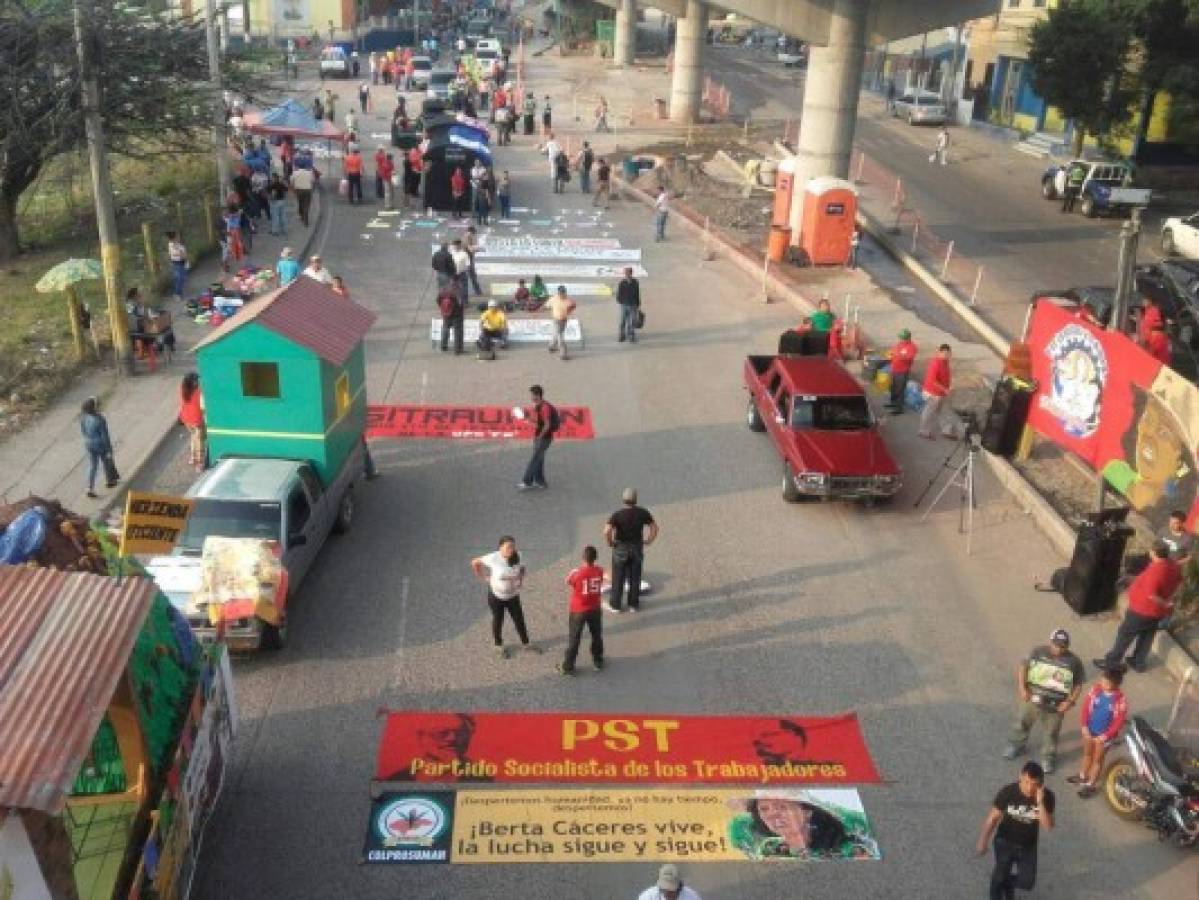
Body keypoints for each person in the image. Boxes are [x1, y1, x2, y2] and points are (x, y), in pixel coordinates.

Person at [1002, 629, 1086, 774]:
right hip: (1032, 700)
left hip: (1056, 706)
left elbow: (1078, 683)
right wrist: (1022, 688)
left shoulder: (1074, 661)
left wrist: (1070, 701)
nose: (1059, 649)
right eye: (1056, 645)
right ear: (1050, 642)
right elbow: (1023, 667)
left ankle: (1048, 757)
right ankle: (1016, 745)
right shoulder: (1037, 652)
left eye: (1063, 646)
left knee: (1051, 733)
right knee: (1022, 723)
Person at [1094, 540, 1181, 673]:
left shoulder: (1156, 571)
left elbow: (1151, 595)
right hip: (1157, 612)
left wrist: (1165, 602)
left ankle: (1112, 661)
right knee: (1146, 636)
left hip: (1142, 610)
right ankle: (1138, 661)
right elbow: (1180, 580)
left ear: (1154, 553)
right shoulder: (1172, 566)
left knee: (1125, 634)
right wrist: (1169, 600)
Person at [976, 762, 1055, 900]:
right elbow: (993, 818)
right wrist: (983, 841)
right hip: (1005, 842)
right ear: (1020, 776)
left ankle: (1007, 884)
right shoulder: (1008, 792)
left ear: (1041, 784)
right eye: (1026, 782)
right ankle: (996, 893)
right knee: (1001, 873)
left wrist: (1040, 803)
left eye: (1035, 784)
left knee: (1027, 882)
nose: (1030, 788)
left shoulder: (1047, 797)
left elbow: (1048, 826)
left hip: (1027, 846)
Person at [470, 536, 539, 658]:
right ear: (500, 547)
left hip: (513, 596)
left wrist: (520, 579)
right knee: (498, 620)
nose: (511, 549)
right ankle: (498, 646)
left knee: (519, 620)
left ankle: (526, 644)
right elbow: (475, 562)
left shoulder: (518, 556)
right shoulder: (493, 558)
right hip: (496, 597)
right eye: (508, 547)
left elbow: (522, 568)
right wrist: (483, 577)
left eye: (513, 546)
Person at [1071, 665, 1128, 798]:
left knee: (1097, 760)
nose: (1102, 683)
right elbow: (1085, 707)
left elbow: (1118, 722)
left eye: (1106, 682)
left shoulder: (1120, 699)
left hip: (1104, 737)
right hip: (1089, 730)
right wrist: (1084, 726)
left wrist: (1105, 736)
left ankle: (1091, 784)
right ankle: (1082, 775)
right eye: (1102, 680)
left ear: (1115, 684)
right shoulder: (1096, 690)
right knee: (1087, 754)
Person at [603, 488, 658, 613]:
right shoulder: (642, 513)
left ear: (623, 500)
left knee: (618, 577)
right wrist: (649, 540)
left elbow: (606, 531)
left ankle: (615, 605)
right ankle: (633, 604)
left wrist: (610, 542)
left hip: (621, 548)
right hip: (636, 547)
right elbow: (654, 527)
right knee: (635, 576)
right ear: (635, 499)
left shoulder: (617, 515)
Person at [557, 546, 605, 676]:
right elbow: (604, 577)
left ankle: (568, 666)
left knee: (574, 638)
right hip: (594, 608)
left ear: (583, 558)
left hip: (578, 610)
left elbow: (568, 581)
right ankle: (598, 660)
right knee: (596, 635)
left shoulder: (577, 573)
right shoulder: (599, 570)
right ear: (595, 558)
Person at [518, 384, 558, 491]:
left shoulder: (545, 408)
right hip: (541, 436)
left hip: (544, 438)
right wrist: (526, 418)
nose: (531, 398)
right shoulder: (539, 406)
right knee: (539, 459)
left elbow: (547, 425)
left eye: (532, 395)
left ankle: (527, 481)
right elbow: (537, 422)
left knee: (535, 459)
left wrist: (539, 437)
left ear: (538, 395)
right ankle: (540, 481)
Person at [79, 397, 118, 499]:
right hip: (100, 445)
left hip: (88, 443)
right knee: (107, 461)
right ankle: (110, 481)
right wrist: (109, 450)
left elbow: (83, 431)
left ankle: (89, 488)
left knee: (92, 466)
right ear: (94, 408)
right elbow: (105, 437)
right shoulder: (100, 419)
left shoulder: (83, 417)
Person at [918, 344, 952, 439]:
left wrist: (947, 388)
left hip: (940, 393)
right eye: (944, 353)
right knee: (929, 412)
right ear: (939, 352)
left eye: (948, 353)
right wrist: (944, 389)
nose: (946, 355)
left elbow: (946, 376)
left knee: (941, 411)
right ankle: (923, 431)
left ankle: (946, 430)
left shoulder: (945, 362)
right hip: (932, 393)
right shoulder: (935, 363)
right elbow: (932, 381)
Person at [886, 329, 918, 413]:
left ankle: (898, 408)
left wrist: (898, 355)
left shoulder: (912, 347)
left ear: (907, 338)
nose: (900, 340)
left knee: (900, 389)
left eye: (902, 338)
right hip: (894, 369)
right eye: (900, 338)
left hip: (902, 371)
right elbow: (894, 350)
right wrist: (891, 354)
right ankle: (893, 403)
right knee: (893, 387)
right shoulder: (900, 344)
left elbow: (909, 358)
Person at [179, 372, 206, 470]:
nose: (198, 382)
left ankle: (192, 458)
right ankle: (200, 463)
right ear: (193, 382)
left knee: (193, 436)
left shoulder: (182, 390)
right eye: (196, 380)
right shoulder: (198, 392)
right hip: (196, 419)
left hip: (186, 419)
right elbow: (203, 407)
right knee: (200, 441)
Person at [547, 286, 576, 360]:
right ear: (558, 293)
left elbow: (573, 305)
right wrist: (538, 311)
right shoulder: (554, 298)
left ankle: (551, 346)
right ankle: (563, 354)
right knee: (560, 337)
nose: (562, 294)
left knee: (556, 333)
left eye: (563, 292)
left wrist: (570, 310)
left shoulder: (568, 300)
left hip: (563, 320)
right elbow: (547, 305)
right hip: (557, 319)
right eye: (561, 293)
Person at [438, 282, 465, 355]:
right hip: (456, 315)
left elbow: (438, 300)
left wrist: (443, 309)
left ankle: (443, 345)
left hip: (446, 314)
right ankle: (458, 349)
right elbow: (460, 304)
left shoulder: (444, 290)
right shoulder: (458, 292)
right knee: (458, 332)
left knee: (445, 329)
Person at [616, 266, 641, 342]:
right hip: (624, 305)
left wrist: (637, 304)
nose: (627, 275)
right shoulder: (622, 283)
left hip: (633, 305)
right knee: (622, 321)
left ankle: (631, 336)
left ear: (631, 273)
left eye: (628, 273)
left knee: (632, 321)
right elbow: (619, 294)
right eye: (626, 273)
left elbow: (637, 293)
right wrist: (621, 301)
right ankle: (622, 335)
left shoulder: (635, 282)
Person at [166, 231, 188, 301]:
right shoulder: (171, 244)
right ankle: (176, 294)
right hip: (176, 263)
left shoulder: (180, 245)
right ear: (174, 238)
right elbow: (176, 254)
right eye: (177, 236)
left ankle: (179, 292)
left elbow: (184, 255)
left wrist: (182, 254)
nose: (179, 237)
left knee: (182, 278)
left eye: (179, 236)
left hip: (182, 262)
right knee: (179, 278)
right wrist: (180, 253)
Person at [462, 227, 484, 296]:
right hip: (468, 258)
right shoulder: (467, 237)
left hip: (467, 258)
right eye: (473, 234)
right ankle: (477, 291)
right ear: (471, 232)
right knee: (472, 275)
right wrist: (478, 249)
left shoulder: (465, 236)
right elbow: (470, 249)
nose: (473, 235)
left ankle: (477, 291)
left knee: (472, 275)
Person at [450, 239, 472, 307]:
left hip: (462, 273)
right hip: (453, 273)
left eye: (456, 245)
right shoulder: (451, 252)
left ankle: (465, 302)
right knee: (453, 288)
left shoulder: (464, 254)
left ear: (459, 245)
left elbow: (468, 264)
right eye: (454, 245)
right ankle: (454, 301)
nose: (455, 247)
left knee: (464, 288)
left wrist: (467, 272)